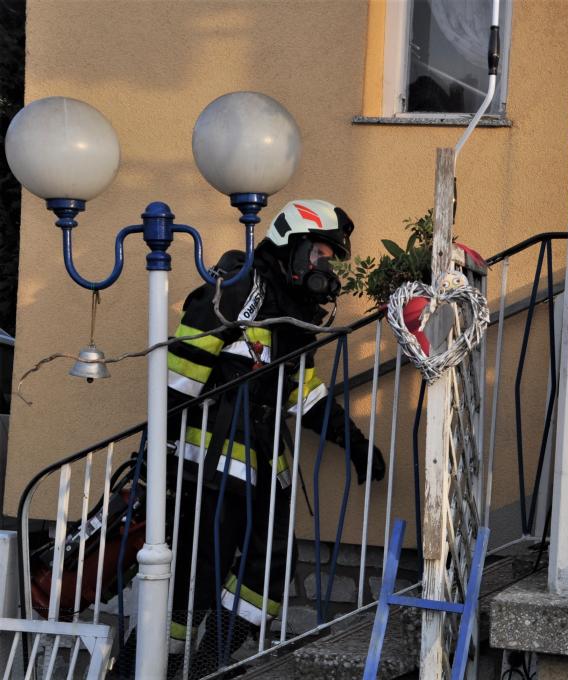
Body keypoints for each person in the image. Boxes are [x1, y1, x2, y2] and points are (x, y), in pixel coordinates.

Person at [115, 199, 385, 678]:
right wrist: (162, 455)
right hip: (210, 465)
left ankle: (206, 665)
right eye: (319, 254)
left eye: (329, 260)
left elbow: (304, 395)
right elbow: (177, 379)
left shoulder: (291, 314)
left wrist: (356, 444)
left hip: (261, 464)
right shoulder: (238, 289)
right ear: (291, 246)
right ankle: (147, 668)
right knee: (196, 575)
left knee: (272, 566)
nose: (324, 268)